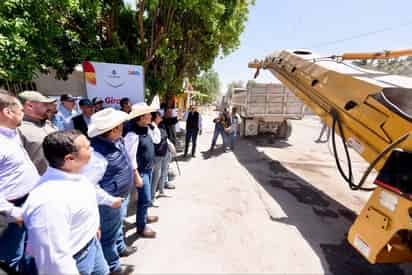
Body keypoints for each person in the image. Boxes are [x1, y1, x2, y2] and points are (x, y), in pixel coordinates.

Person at [23, 130, 123, 275]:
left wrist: (92, 227)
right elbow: (54, 259)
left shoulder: (76, 174)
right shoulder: (48, 200)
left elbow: (88, 196)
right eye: (87, 148)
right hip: (75, 260)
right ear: (69, 158)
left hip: (91, 245)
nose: (92, 150)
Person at [88, 108, 137, 274]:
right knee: (108, 236)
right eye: (121, 125)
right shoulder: (96, 155)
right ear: (114, 129)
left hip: (119, 196)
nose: (123, 127)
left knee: (118, 226)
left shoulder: (116, 140)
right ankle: (113, 267)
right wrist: (110, 201)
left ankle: (120, 247)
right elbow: (89, 186)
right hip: (109, 202)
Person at [0, 92, 39, 274]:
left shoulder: (12, 132)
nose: (24, 113)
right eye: (21, 110)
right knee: (10, 257)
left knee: (29, 249)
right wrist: (12, 212)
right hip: (11, 209)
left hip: (27, 202)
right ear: (8, 112)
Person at [124, 103, 160, 238]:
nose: (151, 116)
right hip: (141, 171)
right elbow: (130, 157)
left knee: (146, 198)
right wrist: (136, 175)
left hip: (148, 168)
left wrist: (153, 126)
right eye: (148, 114)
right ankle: (141, 227)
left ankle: (144, 217)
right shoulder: (132, 135)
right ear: (140, 117)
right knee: (144, 199)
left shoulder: (146, 128)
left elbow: (157, 140)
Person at [17, 91, 57, 175]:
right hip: (40, 183)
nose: (49, 108)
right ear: (30, 106)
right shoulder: (18, 129)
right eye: (44, 105)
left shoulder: (48, 124)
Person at [150, 111, 170, 201]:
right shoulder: (150, 127)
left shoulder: (161, 125)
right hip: (157, 155)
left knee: (164, 172)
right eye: (159, 116)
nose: (161, 117)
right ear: (155, 117)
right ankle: (152, 197)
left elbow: (166, 138)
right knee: (156, 176)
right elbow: (155, 141)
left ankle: (161, 191)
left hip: (165, 152)